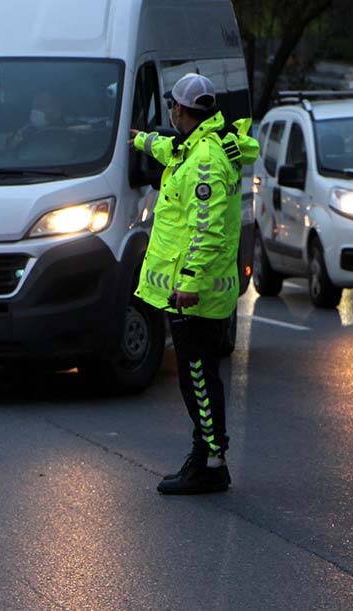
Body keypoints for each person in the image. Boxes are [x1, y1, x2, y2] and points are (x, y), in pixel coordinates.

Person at [129, 73, 259, 495]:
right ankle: (205, 456)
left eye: (172, 106)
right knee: (197, 377)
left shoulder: (205, 159)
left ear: (180, 110)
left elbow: (207, 231)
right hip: (199, 292)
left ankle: (211, 464)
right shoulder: (201, 143)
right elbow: (170, 149)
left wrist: (187, 282)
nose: (171, 112)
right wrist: (141, 140)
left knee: (198, 380)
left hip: (196, 295)